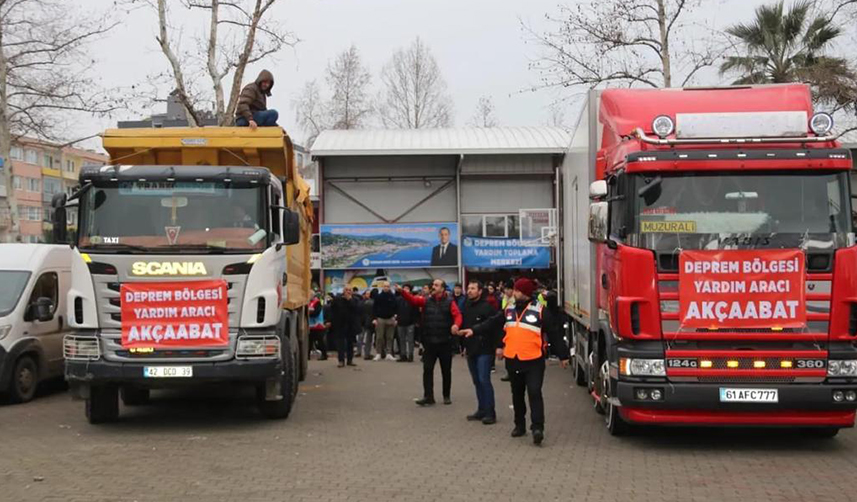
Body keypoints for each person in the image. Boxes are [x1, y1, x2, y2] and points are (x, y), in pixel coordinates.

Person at [463, 278, 569, 446]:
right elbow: (492, 323)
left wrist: (563, 355)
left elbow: (554, 333)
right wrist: (474, 330)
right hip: (513, 358)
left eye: (518, 291)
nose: (514, 293)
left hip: (533, 359)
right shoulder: (509, 309)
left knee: (534, 392)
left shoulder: (540, 310)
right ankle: (519, 425)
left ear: (525, 293)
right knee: (517, 394)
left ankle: (537, 428)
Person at [399, 279, 462, 406]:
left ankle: (446, 395)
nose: (433, 287)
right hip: (429, 341)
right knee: (427, 369)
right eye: (433, 285)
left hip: (445, 341)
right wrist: (403, 292)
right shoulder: (426, 300)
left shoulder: (450, 302)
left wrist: (456, 325)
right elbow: (413, 300)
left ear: (443, 288)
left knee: (446, 370)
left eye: (436, 285)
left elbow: (458, 315)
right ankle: (428, 396)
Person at [460, 280, 499, 425]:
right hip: (471, 349)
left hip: (484, 349)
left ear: (480, 291)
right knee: (476, 381)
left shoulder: (487, 308)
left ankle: (490, 412)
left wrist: (498, 346)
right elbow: (465, 327)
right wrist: (463, 346)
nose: (469, 291)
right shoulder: (466, 306)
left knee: (484, 380)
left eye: (473, 288)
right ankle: (481, 409)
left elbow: (495, 327)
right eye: (468, 288)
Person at [329, 288, 360, 368]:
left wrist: (350, 300)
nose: (348, 292)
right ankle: (341, 360)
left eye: (350, 290)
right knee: (341, 344)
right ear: (343, 291)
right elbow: (332, 310)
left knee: (350, 343)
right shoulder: (337, 300)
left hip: (351, 325)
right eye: (346, 290)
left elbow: (357, 310)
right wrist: (330, 321)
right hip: (340, 324)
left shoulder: (355, 300)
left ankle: (350, 360)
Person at [373, 282, 398, 361]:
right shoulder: (378, 297)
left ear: (389, 287)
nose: (386, 288)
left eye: (387, 286)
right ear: (382, 287)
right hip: (380, 319)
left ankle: (389, 353)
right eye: (385, 286)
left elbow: (396, 307)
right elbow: (374, 307)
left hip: (390, 319)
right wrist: (374, 318)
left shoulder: (393, 297)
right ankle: (378, 353)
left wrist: (395, 317)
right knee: (379, 337)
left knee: (390, 337)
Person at [395, 284, 419, 362]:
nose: (405, 290)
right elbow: (395, 310)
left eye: (407, 288)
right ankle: (403, 355)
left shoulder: (412, 299)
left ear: (410, 290)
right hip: (400, 322)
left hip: (410, 323)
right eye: (404, 288)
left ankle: (410, 355)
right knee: (401, 340)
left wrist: (416, 321)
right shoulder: (398, 299)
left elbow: (416, 311)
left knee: (410, 340)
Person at [308, 293, 328, 361]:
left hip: (318, 325)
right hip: (311, 326)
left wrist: (309, 314)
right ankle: (307, 356)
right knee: (309, 342)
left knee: (320, 342)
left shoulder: (317, 302)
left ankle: (324, 355)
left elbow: (316, 312)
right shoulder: (309, 303)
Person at [360, 289, 375, 360]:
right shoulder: (372, 302)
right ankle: (367, 354)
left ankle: (366, 353)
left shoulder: (363, 302)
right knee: (368, 338)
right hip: (369, 322)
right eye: (367, 294)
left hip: (365, 322)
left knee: (366, 338)